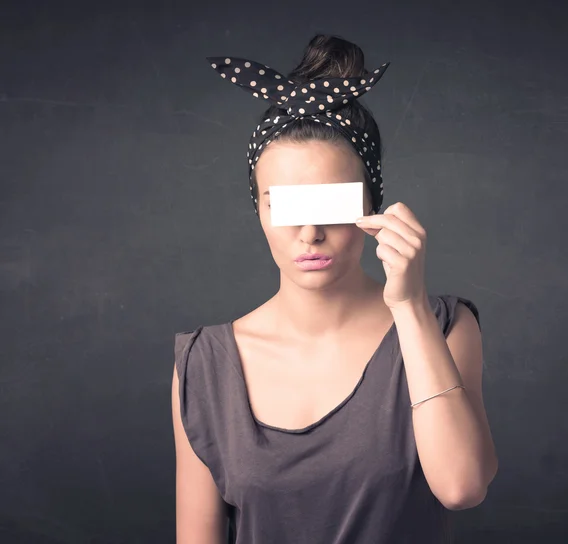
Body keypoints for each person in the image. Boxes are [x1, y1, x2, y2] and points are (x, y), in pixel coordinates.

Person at [171, 34, 498, 544]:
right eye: (286, 206)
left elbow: (462, 487)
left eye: (332, 203)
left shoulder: (445, 326)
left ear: (373, 203)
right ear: (258, 209)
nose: (310, 233)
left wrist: (408, 305)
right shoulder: (204, 364)